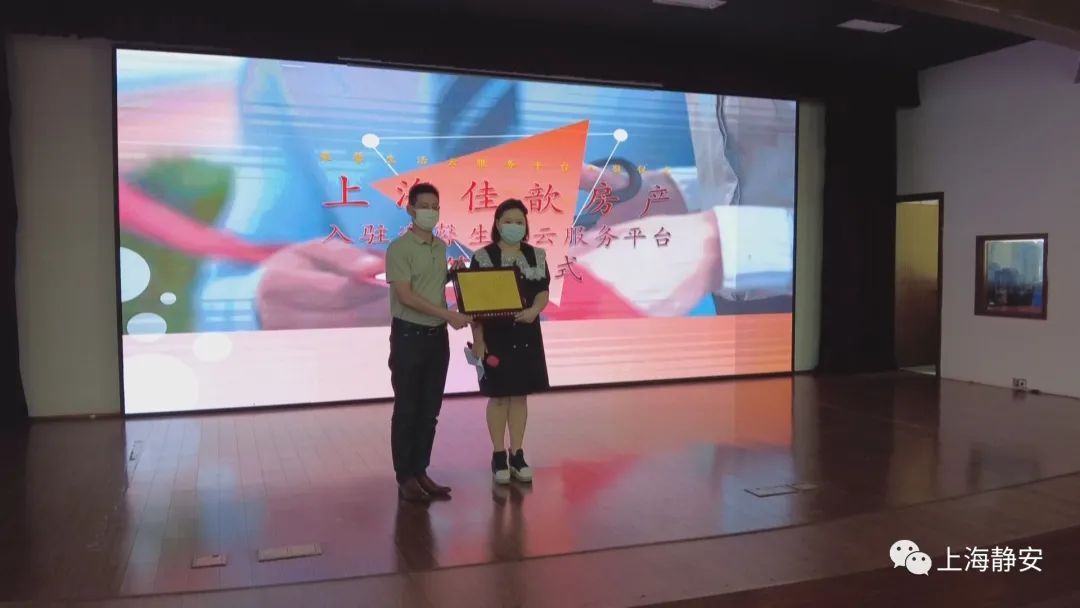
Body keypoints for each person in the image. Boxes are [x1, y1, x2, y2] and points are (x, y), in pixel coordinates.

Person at [385, 183, 471, 502]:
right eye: (424, 206)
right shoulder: (399, 248)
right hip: (409, 336)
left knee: (429, 411)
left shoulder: (440, 247)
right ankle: (405, 476)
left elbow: (430, 284)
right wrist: (448, 315)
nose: (430, 212)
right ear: (410, 209)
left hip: (437, 339)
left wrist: (452, 274)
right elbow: (406, 296)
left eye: (435, 206)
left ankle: (421, 470)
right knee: (407, 408)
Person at [468, 199, 551, 484]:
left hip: (526, 333)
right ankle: (498, 454)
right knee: (499, 396)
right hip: (495, 336)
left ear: (526, 225)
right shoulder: (483, 257)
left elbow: (542, 291)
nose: (514, 226)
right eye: (508, 221)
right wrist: (478, 340)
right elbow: (474, 304)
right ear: (497, 223)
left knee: (519, 396)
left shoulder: (536, 255)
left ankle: (517, 453)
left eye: (519, 222)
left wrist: (534, 310)